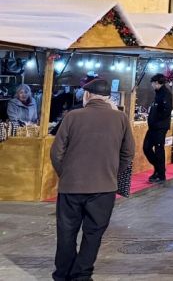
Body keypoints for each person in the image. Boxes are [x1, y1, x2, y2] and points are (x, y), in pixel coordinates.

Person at [50, 78, 134, 281]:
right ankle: (82, 274)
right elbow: (128, 153)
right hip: (104, 188)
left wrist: (67, 173)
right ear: (108, 98)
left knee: (66, 232)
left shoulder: (72, 117)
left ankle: (63, 274)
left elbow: (56, 152)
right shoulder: (120, 118)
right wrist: (112, 173)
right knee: (94, 233)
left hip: (71, 187)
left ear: (87, 95)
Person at [143, 73, 173, 184]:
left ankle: (160, 174)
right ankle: (159, 168)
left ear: (156, 83)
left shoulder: (165, 94)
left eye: (152, 83)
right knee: (146, 148)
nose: (151, 85)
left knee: (159, 149)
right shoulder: (158, 93)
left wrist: (155, 120)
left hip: (160, 127)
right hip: (153, 127)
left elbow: (166, 111)